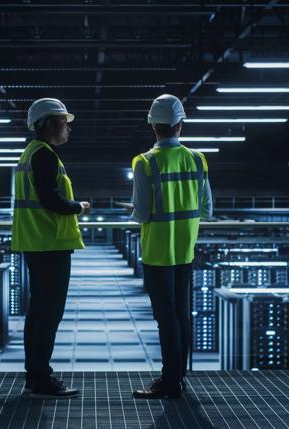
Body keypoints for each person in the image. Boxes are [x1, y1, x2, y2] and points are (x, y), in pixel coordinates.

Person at [129, 94, 213, 399]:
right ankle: (178, 379)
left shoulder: (144, 162)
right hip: (185, 249)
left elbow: (141, 213)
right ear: (180, 125)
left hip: (157, 251)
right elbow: (207, 209)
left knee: (165, 317)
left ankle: (169, 381)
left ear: (153, 126)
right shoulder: (197, 159)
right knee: (182, 313)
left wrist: (137, 211)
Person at [11, 98, 90, 399]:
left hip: (36, 243)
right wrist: (79, 207)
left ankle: (35, 376)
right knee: (49, 314)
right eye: (63, 121)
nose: (68, 127)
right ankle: (42, 378)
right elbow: (51, 201)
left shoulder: (31, 153)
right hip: (50, 244)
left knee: (39, 314)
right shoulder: (44, 155)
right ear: (48, 124)